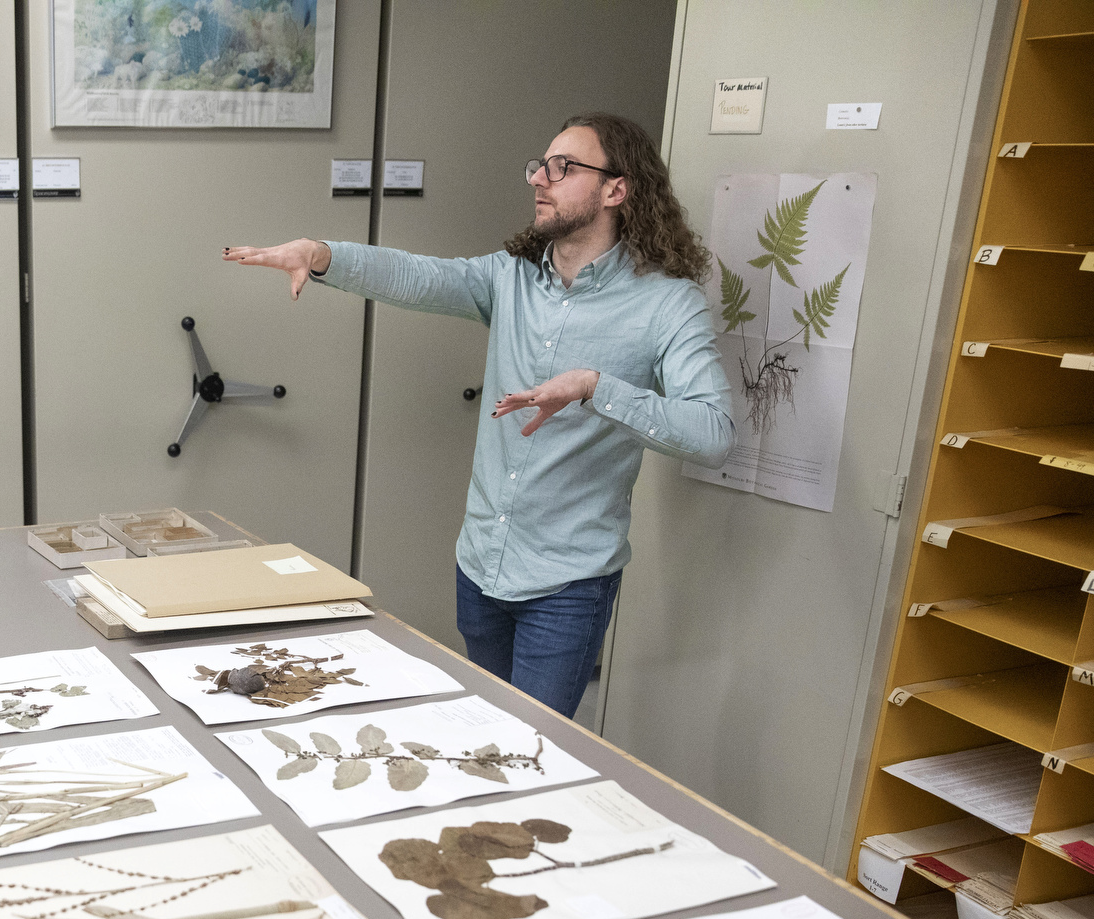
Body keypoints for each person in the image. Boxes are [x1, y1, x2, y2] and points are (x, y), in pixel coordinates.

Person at [222, 112, 733, 719]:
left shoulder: (667, 304)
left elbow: (713, 433)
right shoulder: (511, 276)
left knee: (535, 749)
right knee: (483, 736)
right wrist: (322, 254)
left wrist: (597, 388)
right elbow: (422, 276)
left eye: (563, 167)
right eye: (540, 165)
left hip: (568, 585)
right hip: (481, 566)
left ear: (616, 190)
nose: (540, 178)